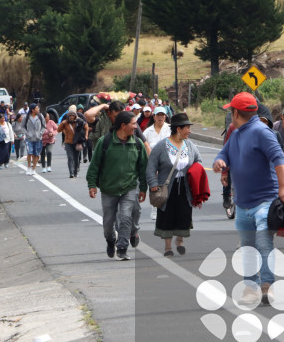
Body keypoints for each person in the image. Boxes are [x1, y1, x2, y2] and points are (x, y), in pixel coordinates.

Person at [213, 92, 284, 306]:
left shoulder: (261, 132)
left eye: (231, 111)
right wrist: (219, 162)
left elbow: (278, 158)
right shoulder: (236, 134)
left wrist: (283, 186)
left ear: (235, 113)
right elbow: (224, 154)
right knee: (247, 247)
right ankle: (250, 287)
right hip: (243, 203)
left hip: (265, 200)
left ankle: (267, 286)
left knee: (264, 242)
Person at [86, 111, 148, 261]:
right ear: (123, 125)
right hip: (108, 189)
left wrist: (143, 188)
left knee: (125, 216)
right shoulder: (105, 142)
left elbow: (143, 168)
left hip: (129, 187)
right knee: (108, 222)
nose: (136, 127)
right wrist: (92, 184)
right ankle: (110, 240)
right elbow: (94, 165)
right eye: (133, 124)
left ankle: (122, 247)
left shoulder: (137, 144)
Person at [146, 113, 203, 256]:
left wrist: (195, 176)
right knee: (167, 215)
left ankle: (180, 240)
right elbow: (151, 167)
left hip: (185, 187)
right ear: (178, 129)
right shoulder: (161, 146)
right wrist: (153, 183)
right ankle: (167, 247)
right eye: (187, 128)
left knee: (184, 214)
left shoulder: (189, 145)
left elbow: (198, 162)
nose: (189, 131)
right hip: (167, 187)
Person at [143, 106, 172, 220]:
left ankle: (168, 207)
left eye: (163, 115)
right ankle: (155, 207)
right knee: (154, 184)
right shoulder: (148, 131)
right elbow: (143, 145)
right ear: (154, 117)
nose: (160, 117)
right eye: (158, 115)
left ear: (165, 116)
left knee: (167, 183)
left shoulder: (171, 129)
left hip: (168, 161)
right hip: (153, 162)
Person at [57, 105, 86, 178]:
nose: (72, 117)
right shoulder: (65, 122)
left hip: (77, 142)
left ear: (75, 116)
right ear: (68, 116)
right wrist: (62, 125)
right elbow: (58, 130)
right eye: (70, 116)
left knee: (76, 158)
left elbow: (86, 127)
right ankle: (71, 173)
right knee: (70, 157)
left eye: (73, 116)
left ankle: (75, 171)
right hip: (68, 142)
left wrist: (86, 135)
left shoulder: (79, 121)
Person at [23, 103, 46, 175]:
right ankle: (29, 168)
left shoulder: (40, 116)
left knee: (36, 154)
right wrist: (27, 134)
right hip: (29, 138)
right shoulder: (26, 117)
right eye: (37, 108)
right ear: (32, 110)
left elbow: (43, 126)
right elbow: (22, 127)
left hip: (38, 138)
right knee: (29, 152)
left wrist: (40, 133)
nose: (38, 109)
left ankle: (34, 169)